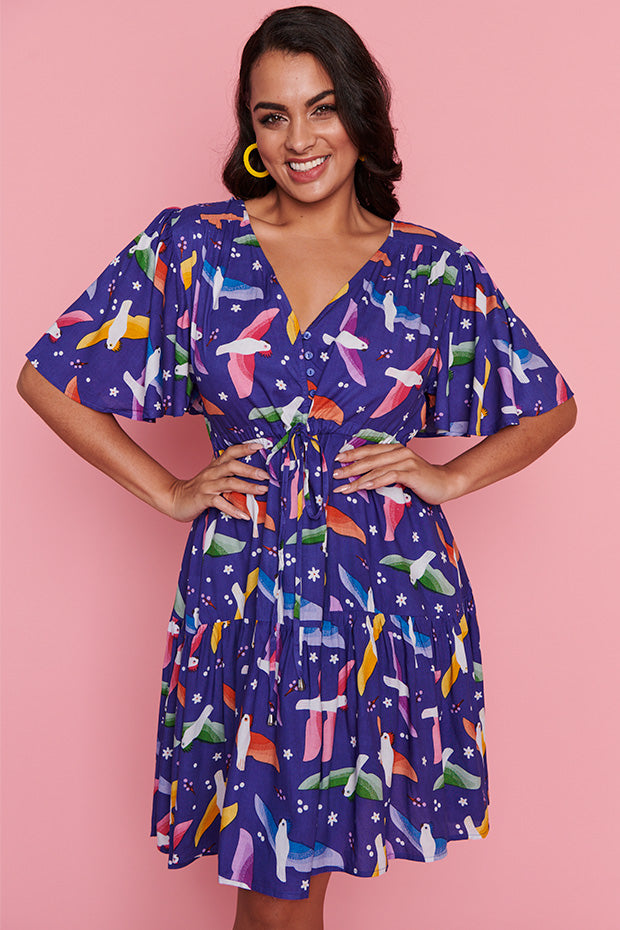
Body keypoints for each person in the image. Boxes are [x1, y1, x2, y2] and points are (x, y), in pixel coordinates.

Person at [17, 5, 577, 929]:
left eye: (322, 109)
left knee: (290, 888)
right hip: (244, 591)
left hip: (380, 594)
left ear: (360, 114)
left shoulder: (432, 270)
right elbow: (50, 376)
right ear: (251, 131)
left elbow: (550, 404)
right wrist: (169, 491)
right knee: (277, 890)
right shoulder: (192, 247)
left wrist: (447, 479)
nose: (299, 140)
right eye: (271, 116)